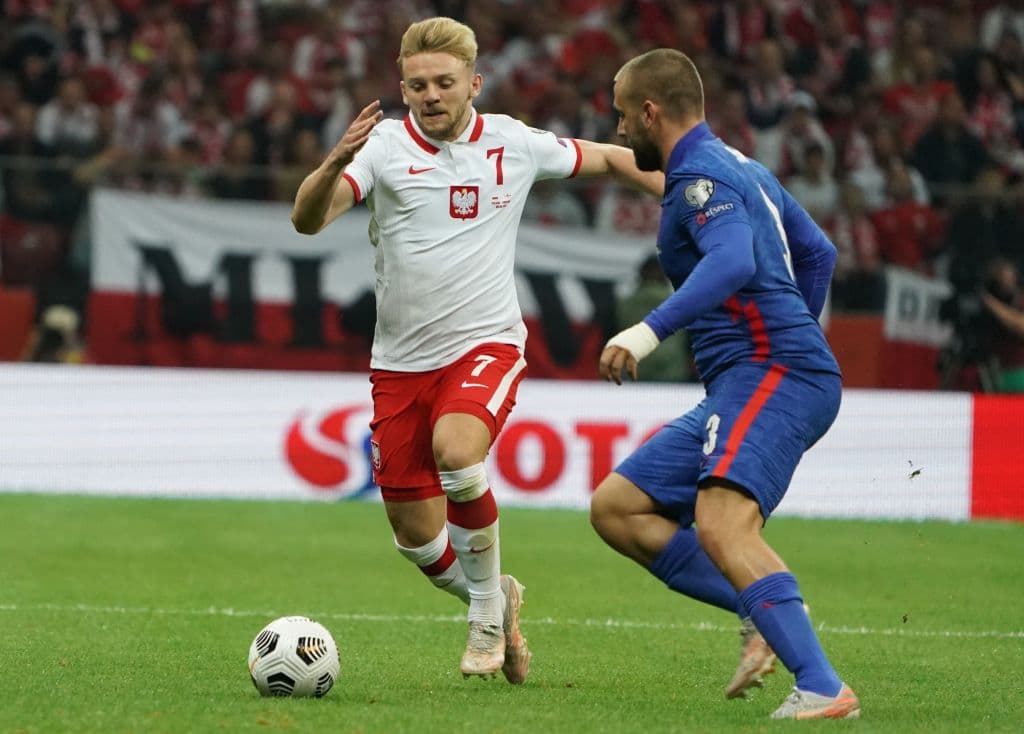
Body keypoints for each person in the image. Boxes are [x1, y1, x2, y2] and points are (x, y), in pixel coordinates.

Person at [290, 17, 662, 683]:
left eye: (443, 83)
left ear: (474, 84)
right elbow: (308, 219)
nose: (430, 95)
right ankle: (497, 597)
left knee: (459, 454)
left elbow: (607, 156)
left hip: (485, 343)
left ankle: (487, 620)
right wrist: (333, 163)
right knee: (415, 539)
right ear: (403, 90)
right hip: (400, 363)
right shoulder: (380, 149)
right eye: (416, 85)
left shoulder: (512, 142)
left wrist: (695, 182)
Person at [589, 48, 860, 720]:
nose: (621, 129)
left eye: (624, 115)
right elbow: (818, 251)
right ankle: (762, 607)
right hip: (762, 373)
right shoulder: (744, 168)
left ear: (651, 111)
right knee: (619, 508)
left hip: (771, 371)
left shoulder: (699, 182)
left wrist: (645, 332)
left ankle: (823, 686)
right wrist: (801, 327)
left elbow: (734, 260)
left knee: (720, 524)